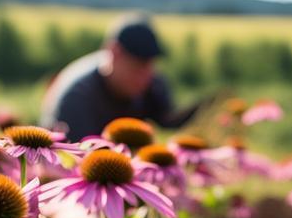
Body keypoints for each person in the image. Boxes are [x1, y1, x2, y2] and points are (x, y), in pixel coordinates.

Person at [40, 14, 200, 140]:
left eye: (150, 67)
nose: (145, 77)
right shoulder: (77, 96)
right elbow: (74, 155)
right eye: (137, 67)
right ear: (114, 52)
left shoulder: (152, 83)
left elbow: (168, 121)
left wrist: (208, 107)